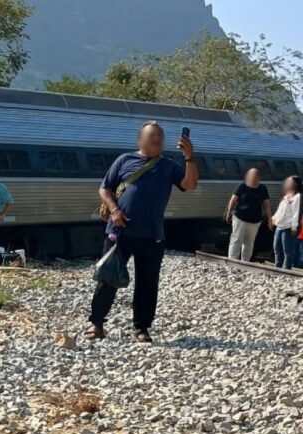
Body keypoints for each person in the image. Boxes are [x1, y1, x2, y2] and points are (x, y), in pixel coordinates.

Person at [86, 121, 199, 343]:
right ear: (140, 140)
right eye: (152, 135)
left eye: (160, 136)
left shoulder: (168, 165)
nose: (157, 139)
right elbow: (104, 188)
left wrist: (189, 158)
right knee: (108, 277)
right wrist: (114, 210)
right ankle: (96, 323)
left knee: (147, 282)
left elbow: (190, 184)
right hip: (120, 231)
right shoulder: (124, 160)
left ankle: (142, 327)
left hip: (152, 234)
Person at [225, 168, 272, 262]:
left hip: (255, 220)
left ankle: (245, 262)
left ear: (258, 177)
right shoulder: (242, 186)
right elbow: (233, 200)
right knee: (236, 239)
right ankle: (232, 261)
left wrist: (270, 218)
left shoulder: (263, 188)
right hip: (240, 217)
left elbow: (266, 204)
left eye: (255, 176)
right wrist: (229, 212)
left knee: (249, 242)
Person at [271, 176, 301, 270]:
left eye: (289, 182)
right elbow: (280, 210)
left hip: (288, 227)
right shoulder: (286, 196)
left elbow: (296, 212)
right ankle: (277, 266)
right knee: (277, 247)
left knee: (287, 250)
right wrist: (273, 218)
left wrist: (294, 227)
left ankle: (286, 269)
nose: (287, 184)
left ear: (295, 184)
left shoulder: (298, 196)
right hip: (279, 225)